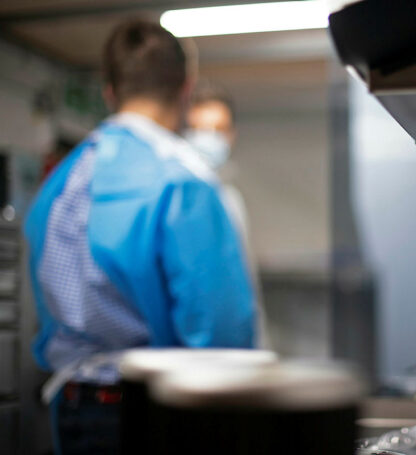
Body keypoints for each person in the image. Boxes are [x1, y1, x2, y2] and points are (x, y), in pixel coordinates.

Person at [24, 20, 256, 454]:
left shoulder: (60, 184)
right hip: (155, 413)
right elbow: (220, 333)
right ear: (185, 91)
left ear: (108, 91)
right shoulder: (184, 184)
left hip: (72, 406)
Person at [184, 84, 268, 347]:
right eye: (200, 129)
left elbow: (245, 282)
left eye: (219, 130)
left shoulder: (231, 200)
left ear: (232, 135)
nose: (210, 139)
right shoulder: (177, 200)